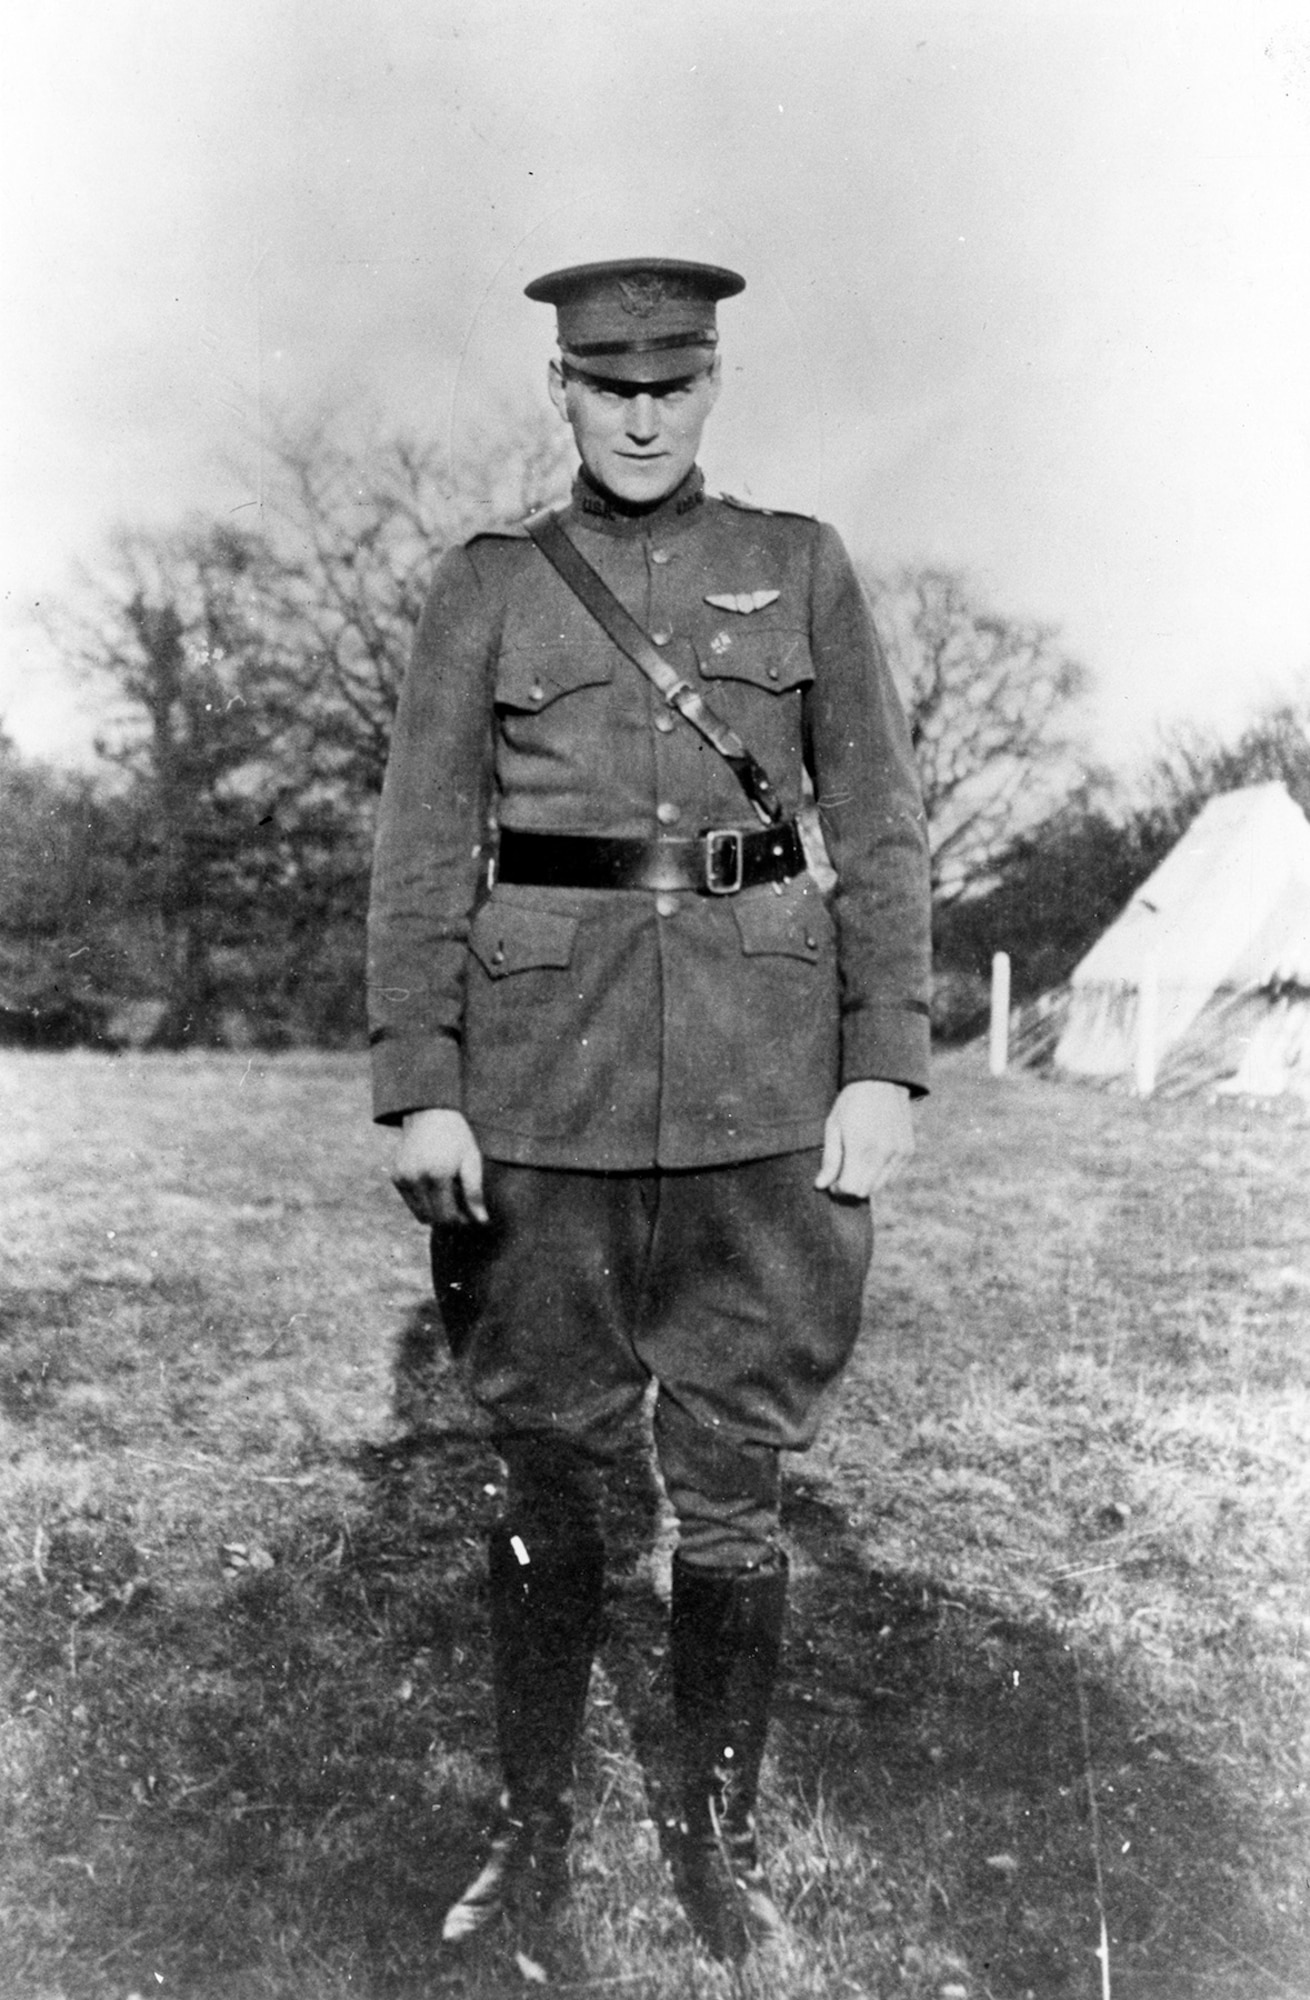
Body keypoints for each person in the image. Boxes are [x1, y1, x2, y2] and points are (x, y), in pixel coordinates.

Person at [367, 256, 931, 1968]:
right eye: (604, 382)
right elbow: (415, 856)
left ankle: (717, 1837)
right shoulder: (487, 589)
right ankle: (530, 1834)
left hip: (765, 1095)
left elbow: (885, 836)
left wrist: (882, 1061)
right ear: (559, 390)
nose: (636, 409)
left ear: (709, 385)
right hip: (547, 1093)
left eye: (667, 381)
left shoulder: (799, 568)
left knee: (736, 1480)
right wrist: (423, 1086)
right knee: (547, 1465)